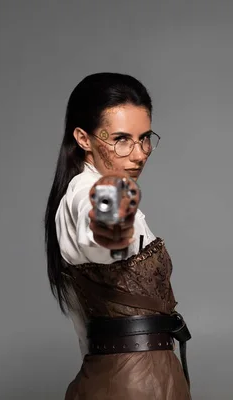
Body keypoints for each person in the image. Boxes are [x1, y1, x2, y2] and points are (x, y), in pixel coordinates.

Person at [43, 72, 192, 399]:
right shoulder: (86, 194)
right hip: (130, 386)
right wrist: (110, 222)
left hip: (144, 377)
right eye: (121, 139)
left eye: (144, 138)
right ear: (83, 139)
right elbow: (98, 241)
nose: (139, 153)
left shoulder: (103, 192)